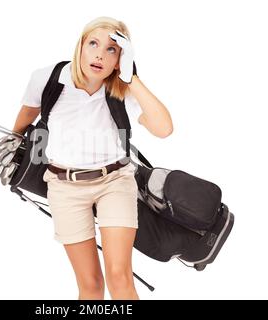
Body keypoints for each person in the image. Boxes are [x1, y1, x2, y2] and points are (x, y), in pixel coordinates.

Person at [12, 16, 173, 300]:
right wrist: (10, 148)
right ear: (81, 46)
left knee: (119, 277)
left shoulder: (122, 89)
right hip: (64, 187)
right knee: (91, 285)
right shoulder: (48, 78)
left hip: (115, 182)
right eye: (93, 44)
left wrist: (131, 77)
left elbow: (164, 128)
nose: (100, 54)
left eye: (112, 49)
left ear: (120, 59)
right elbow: (22, 123)